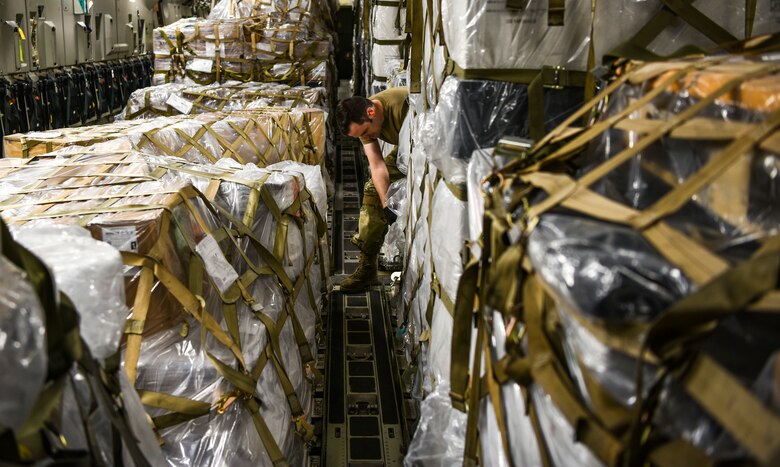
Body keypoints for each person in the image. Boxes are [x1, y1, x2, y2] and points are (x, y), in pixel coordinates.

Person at [336, 86, 408, 292]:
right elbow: (377, 166)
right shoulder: (364, 120)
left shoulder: (402, 105)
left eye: (366, 132)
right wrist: (387, 203)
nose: (368, 136)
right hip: (405, 151)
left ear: (371, 112)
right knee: (372, 190)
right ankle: (367, 268)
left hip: (424, 147)